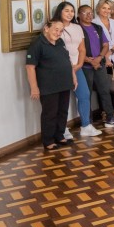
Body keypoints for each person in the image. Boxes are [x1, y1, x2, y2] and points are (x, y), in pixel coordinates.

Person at [26, 19, 75, 150]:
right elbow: (30, 67)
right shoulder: (37, 44)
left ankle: (60, 136)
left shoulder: (60, 42)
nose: (58, 33)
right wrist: (34, 87)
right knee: (50, 114)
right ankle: (48, 141)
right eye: (56, 29)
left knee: (63, 111)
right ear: (46, 28)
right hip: (48, 86)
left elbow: (67, 60)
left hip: (64, 83)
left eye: (61, 30)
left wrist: (73, 77)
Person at [54, 2, 102, 138]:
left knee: (84, 95)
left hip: (77, 67)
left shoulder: (77, 27)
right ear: (60, 12)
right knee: (62, 101)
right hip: (61, 69)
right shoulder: (55, 26)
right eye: (66, 11)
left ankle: (86, 126)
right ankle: (62, 129)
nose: (70, 14)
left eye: (72, 11)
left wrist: (80, 64)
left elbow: (82, 49)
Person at [79, 5, 114, 129]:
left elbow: (105, 45)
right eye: (85, 13)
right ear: (79, 15)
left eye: (90, 13)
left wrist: (99, 58)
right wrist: (89, 60)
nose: (89, 15)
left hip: (100, 64)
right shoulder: (78, 29)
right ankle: (88, 123)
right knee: (86, 94)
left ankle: (110, 118)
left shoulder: (97, 27)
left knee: (105, 91)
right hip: (85, 67)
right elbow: (76, 49)